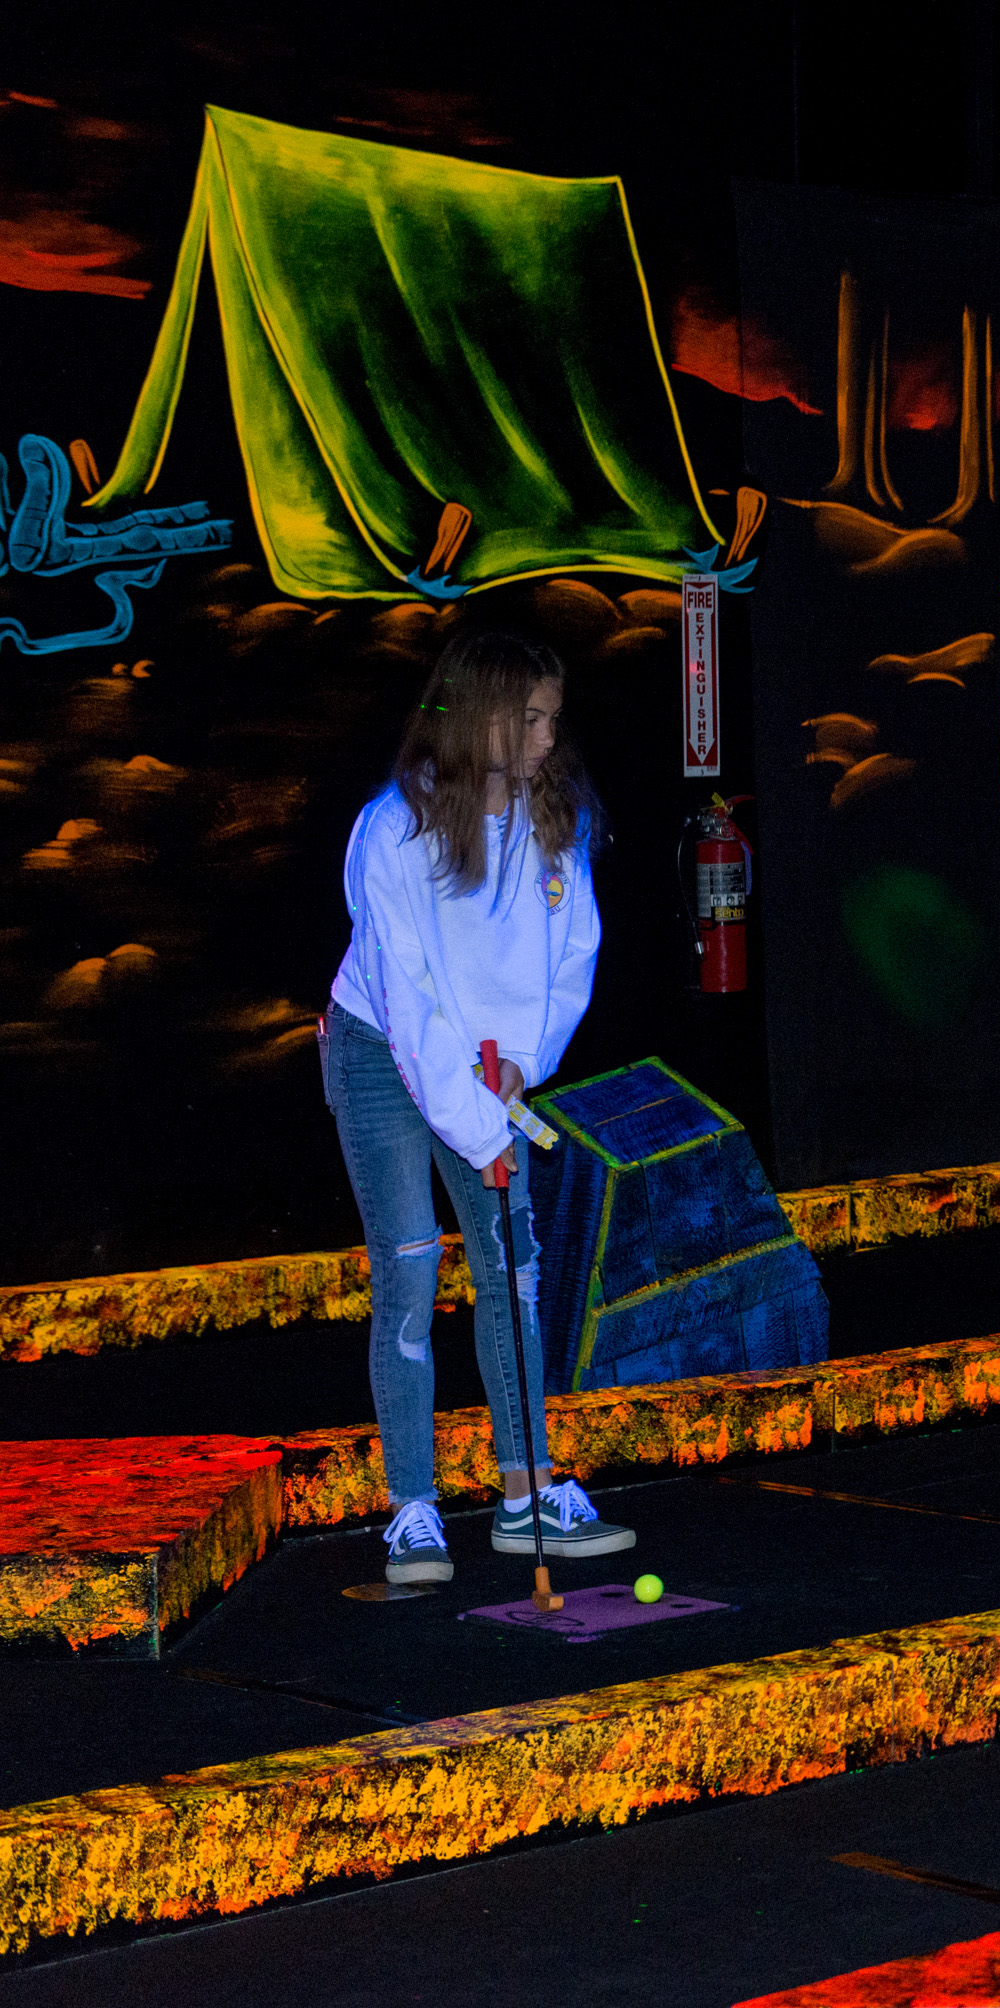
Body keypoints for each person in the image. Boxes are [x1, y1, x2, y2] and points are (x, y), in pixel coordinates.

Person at [322, 627, 632, 1588]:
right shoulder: (394, 830)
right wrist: (478, 1119)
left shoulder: (556, 820)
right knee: (411, 1266)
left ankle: (526, 1491)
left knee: (513, 1269)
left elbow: (571, 956)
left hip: (493, 1069)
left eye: (552, 719)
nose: (547, 738)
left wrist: (524, 1065)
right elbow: (408, 998)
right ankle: (413, 1509)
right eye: (529, 719)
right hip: (384, 1052)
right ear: (482, 716)